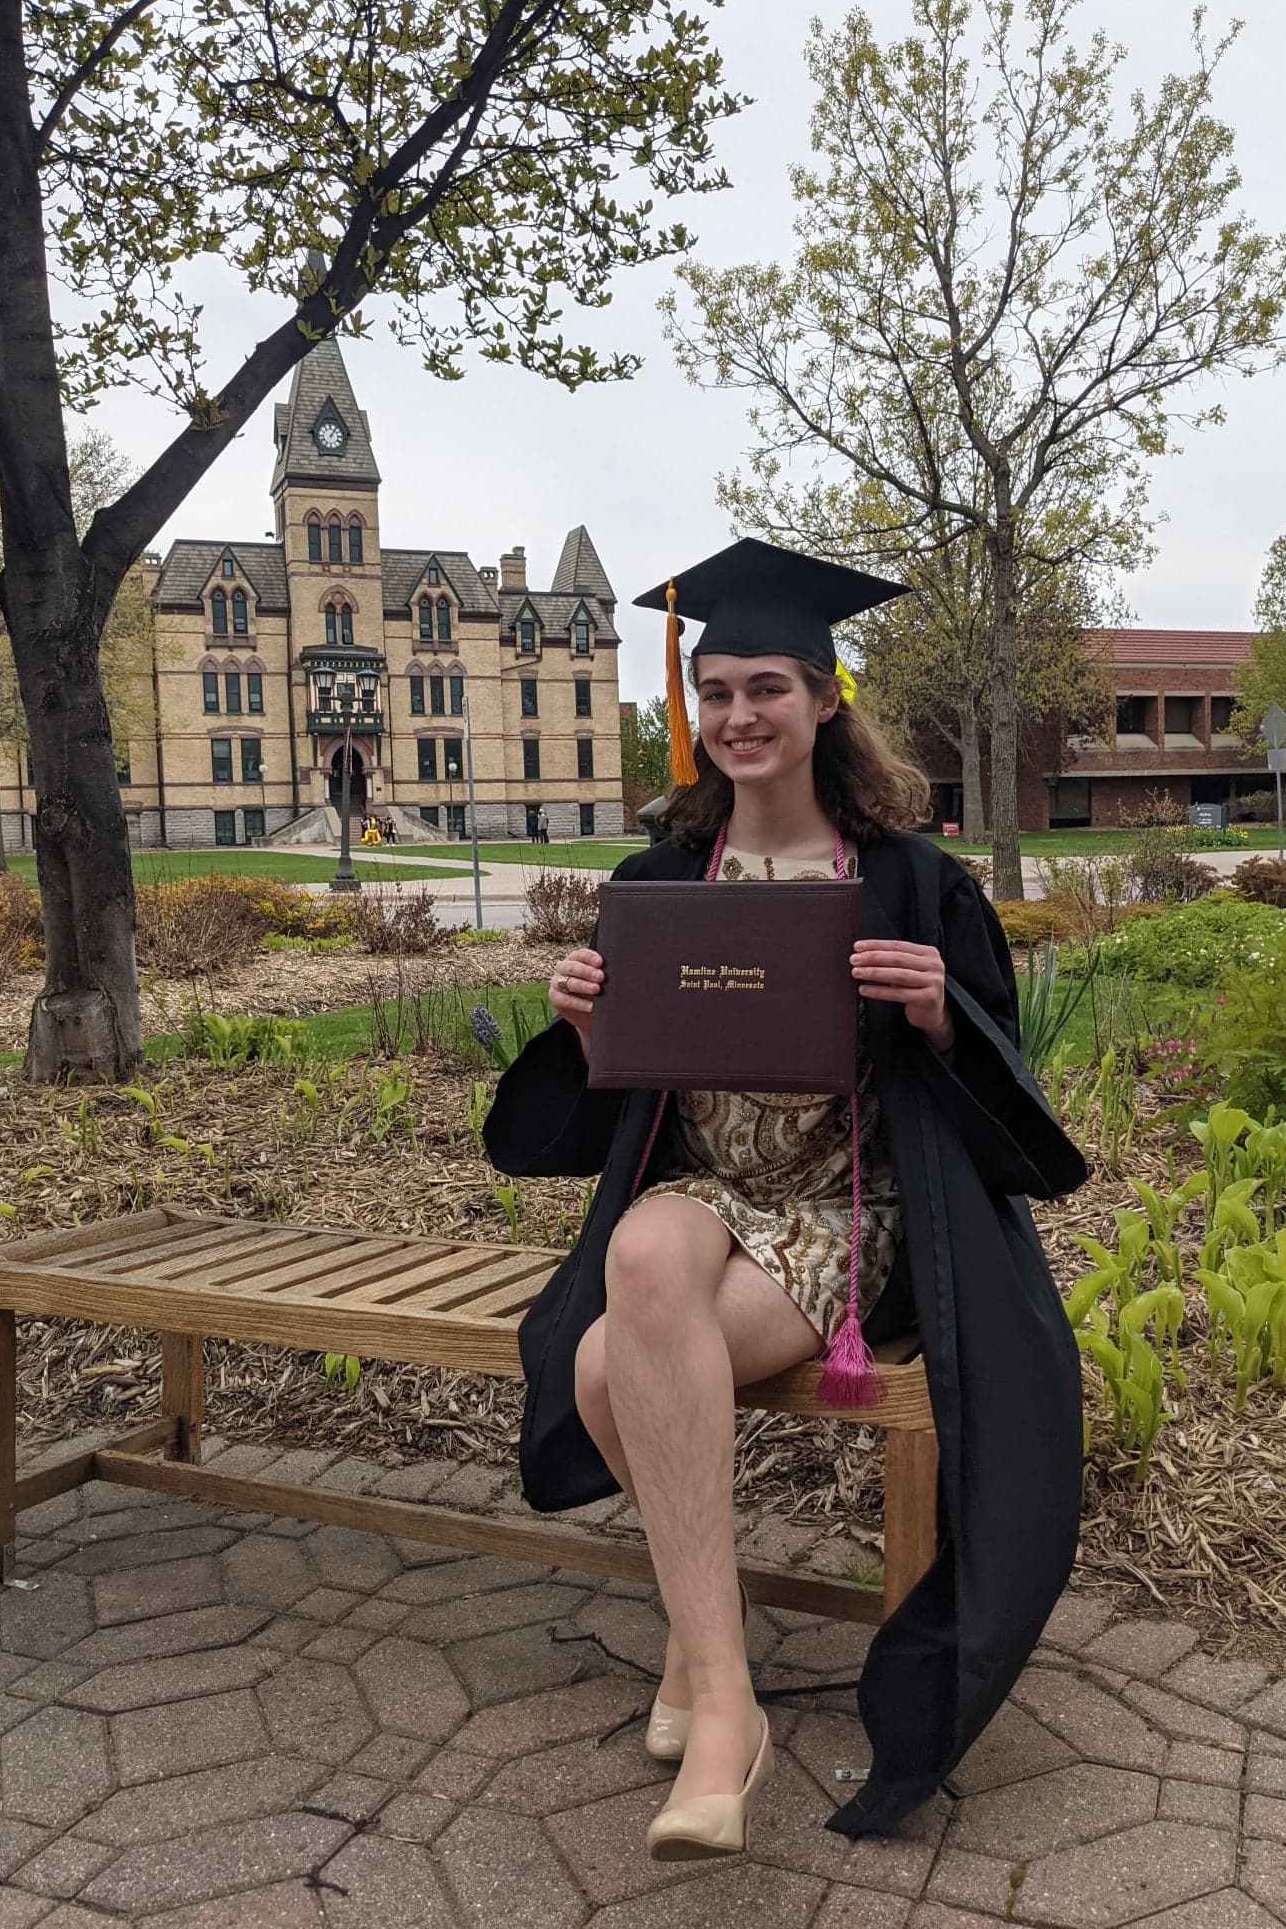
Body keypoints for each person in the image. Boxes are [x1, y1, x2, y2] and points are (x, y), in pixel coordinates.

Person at [484, 537, 1087, 1857]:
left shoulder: (909, 880)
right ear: (692, 714)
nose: (739, 716)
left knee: (603, 1365)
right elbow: (616, 1115)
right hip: (701, 1201)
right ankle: (726, 1689)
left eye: (767, 687)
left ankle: (701, 1678)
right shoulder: (655, 886)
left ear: (826, 701)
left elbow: (1009, 1084)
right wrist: (586, 1030)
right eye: (715, 694)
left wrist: (938, 1015)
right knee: (646, 1251)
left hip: (846, 1220)